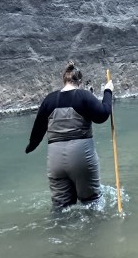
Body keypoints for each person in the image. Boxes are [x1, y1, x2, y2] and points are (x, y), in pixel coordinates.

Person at [25, 60, 114, 209]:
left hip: (55, 159)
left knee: (61, 208)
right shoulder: (83, 95)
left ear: (63, 79)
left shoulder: (49, 99)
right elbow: (103, 115)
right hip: (81, 155)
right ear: (79, 81)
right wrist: (108, 91)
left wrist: (30, 147)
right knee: (92, 203)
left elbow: (37, 131)